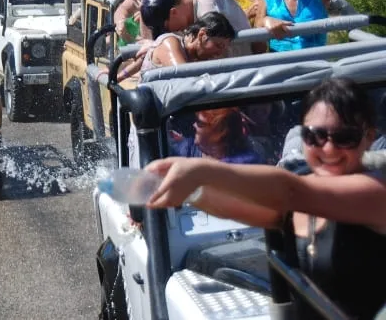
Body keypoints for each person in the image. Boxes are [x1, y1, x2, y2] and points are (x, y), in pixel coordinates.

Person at [145, 78, 386, 319]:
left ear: (369, 136)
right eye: (316, 136)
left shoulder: (375, 192)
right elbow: (243, 210)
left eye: (345, 137)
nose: (329, 148)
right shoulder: (303, 192)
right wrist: (189, 192)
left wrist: (200, 171)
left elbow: (290, 191)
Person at [138, 10, 236, 73]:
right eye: (218, 45)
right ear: (202, 35)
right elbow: (183, 76)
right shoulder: (169, 42)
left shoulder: (200, 58)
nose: (219, 53)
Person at [170, 107, 263, 164]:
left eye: (199, 123)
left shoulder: (247, 162)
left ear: (219, 131)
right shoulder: (186, 149)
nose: (194, 125)